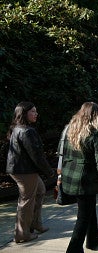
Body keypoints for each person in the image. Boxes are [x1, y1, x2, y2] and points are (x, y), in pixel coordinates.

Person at [61, 102, 98, 252]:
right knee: (83, 216)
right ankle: (73, 249)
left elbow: (61, 151)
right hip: (86, 179)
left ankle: (93, 238)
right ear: (95, 115)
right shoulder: (95, 133)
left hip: (71, 176)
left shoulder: (70, 129)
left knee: (88, 209)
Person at [6, 102, 55, 243]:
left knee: (40, 190)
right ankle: (22, 234)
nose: (36, 114)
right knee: (26, 201)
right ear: (24, 113)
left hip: (22, 170)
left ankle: (35, 223)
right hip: (24, 171)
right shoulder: (26, 131)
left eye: (36, 111)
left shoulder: (18, 128)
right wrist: (49, 171)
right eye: (33, 111)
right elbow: (36, 155)